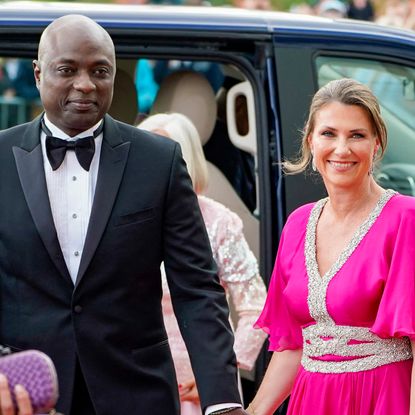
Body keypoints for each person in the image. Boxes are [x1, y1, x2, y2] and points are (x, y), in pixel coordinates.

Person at [0, 14, 249, 415]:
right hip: (24, 397)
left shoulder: (160, 161)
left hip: (136, 393)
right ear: (37, 73)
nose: (85, 84)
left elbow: (197, 290)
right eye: (67, 69)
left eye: (100, 71)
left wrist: (222, 401)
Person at [245, 78, 415, 415]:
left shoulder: (405, 219)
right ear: (310, 141)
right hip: (313, 400)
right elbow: (293, 346)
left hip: (381, 399)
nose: (342, 149)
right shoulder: (298, 223)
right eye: (328, 133)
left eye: (357, 135)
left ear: (377, 144)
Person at [138, 112, 268, 415]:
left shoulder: (218, 222)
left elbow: (257, 309)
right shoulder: (117, 219)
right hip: (132, 378)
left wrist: (216, 372)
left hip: (201, 391)